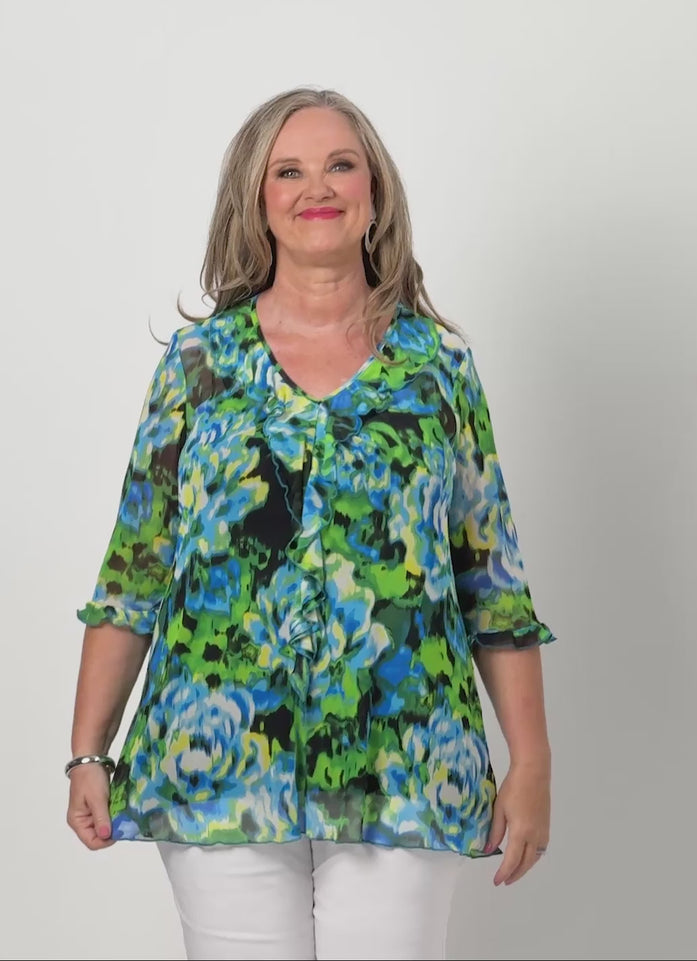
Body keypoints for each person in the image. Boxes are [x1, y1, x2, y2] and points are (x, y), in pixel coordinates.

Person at [66, 86, 557, 961]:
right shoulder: (197, 366)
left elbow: (491, 581)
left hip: (408, 759)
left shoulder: (439, 369)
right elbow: (136, 570)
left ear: (375, 191)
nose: (317, 188)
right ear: (256, 200)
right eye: (288, 171)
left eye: (340, 165)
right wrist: (87, 753)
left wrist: (532, 761)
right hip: (216, 764)